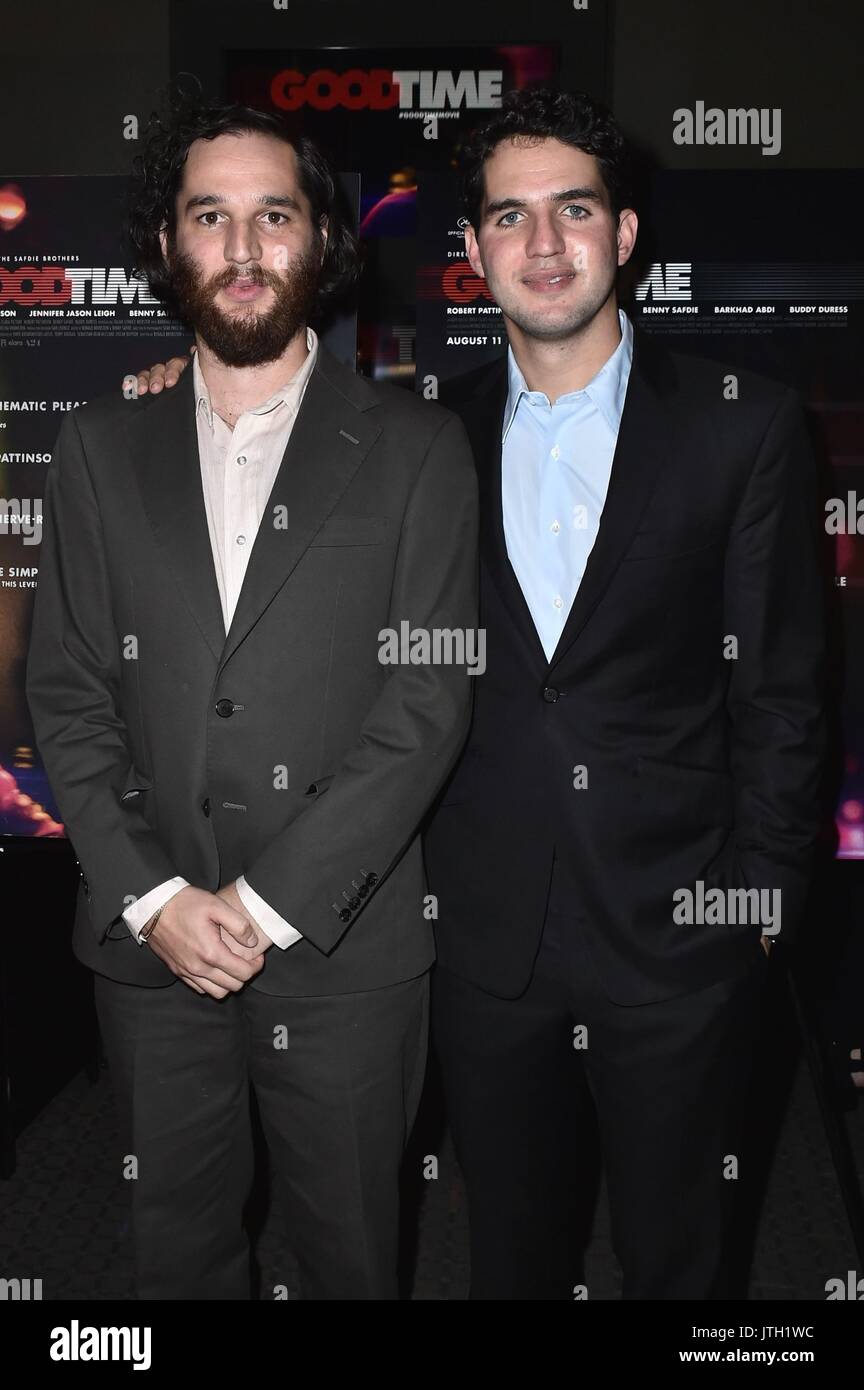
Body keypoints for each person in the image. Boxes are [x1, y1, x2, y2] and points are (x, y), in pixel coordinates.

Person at [132, 88, 827, 1301]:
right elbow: (248, 418)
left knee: (681, 1262)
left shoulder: (742, 431)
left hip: (682, 938)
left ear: (624, 236)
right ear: (474, 252)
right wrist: (166, 397)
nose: (543, 243)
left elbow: (783, 692)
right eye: (510, 217)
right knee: (510, 1255)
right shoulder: (419, 436)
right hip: (480, 945)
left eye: (573, 210)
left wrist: (755, 907)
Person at [25, 97, 478, 1301]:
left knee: (355, 1258)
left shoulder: (420, 448)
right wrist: (159, 897)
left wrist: (266, 904)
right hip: (151, 955)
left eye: (271, 216)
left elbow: (428, 701)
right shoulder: (95, 450)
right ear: (169, 245)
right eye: (208, 216)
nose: (240, 248)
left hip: (343, 953)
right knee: (172, 1260)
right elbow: (64, 692)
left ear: (320, 239)